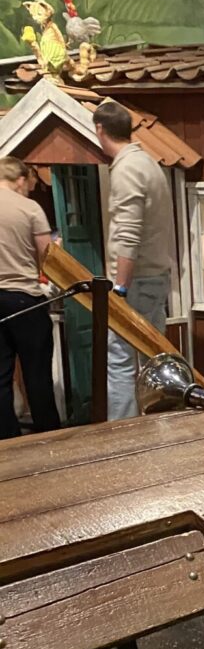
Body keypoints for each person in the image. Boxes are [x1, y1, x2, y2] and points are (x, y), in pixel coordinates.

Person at [93, 99, 175, 420]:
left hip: (136, 281)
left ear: (100, 129)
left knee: (120, 359)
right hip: (156, 275)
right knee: (155, 357)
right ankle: (161, 425)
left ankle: (124, 433)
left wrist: (120, 289)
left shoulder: (126, 169)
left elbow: (128, 235)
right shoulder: (148, 163)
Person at [0, 157, 60, 440]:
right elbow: (47, 256)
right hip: (25, 297)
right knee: (37, 374)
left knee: (1, 376)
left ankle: (7, 440)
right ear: (21, 180)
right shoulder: (29, 208)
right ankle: (47, 437)